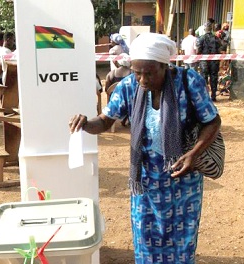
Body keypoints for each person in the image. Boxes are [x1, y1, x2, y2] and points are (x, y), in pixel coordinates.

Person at [69, 33, 221, 263]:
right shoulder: (129, 86)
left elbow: (212, 121)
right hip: (146, 181)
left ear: (164, 66)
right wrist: (85, 124)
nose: (142, 79)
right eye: (137, 72)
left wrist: (193, 154)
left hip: (182, 181)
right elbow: (106, 120)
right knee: (145, 239)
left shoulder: (189, 82)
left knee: (181, 242)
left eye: (148, 73)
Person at [104, 53, 132, 127]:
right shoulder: (132, 74)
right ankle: (127, 119)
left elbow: (107, 89)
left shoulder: (111, 74)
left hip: (114, 100)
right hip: (130, 101)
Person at [197, 22, 221, 101]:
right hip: (214, 61)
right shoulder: (216, 38)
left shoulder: (201, 38)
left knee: (204, 78)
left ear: (204, 29)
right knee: (214, 78)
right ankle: (213, 95)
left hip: (204, 61)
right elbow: (219, 49)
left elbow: (198, 51)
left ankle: (205, 96)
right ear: (211, 29)